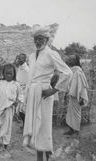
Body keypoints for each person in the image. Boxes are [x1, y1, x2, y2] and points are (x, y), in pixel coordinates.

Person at [23, 26, 72, 161]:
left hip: (44, 93)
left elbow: (67, 72)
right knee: (34, 126)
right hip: (33, 94)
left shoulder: (51, 54)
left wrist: (53, 90)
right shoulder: (32, 56)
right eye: (36, 40)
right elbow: (30, 77)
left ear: (46, 39)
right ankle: (44, 157)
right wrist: (26, 96)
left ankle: (47, 156)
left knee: (43, 126)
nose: (38, 42)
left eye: (40, 39)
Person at [0, 64, 23, 159]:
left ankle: (5, 145)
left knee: (7, 128)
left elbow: (20, 96)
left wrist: (17, 102)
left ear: (13, 74)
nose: (8, 75)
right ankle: (0, 139)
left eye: (10, 73)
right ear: (3, 73)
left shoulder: (16, 84)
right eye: (6, 73)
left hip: (9, 109)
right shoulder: (0, 83)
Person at [64, 55, 89, 135]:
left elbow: (82, 86)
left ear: (76, 62)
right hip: (72, 96)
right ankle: (71, 130)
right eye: (69, 59)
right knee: (70, 113)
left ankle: (77, 131)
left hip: (78, 97)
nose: (70, 61)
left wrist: (82, 97)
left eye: (72, 59)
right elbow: (70, 84)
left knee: (76, 114)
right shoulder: (72, 71)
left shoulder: (78, 72)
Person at [14, 53, 30, 129]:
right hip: (19, 90)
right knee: (20, 110)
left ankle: (25, 126)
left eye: (20, 58)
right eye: (18, 58)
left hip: (24, 91)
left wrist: (24, 92)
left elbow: (28, 82)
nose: (18, 60)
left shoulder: (27, 69)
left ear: (24, 59)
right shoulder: (20, 67)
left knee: (22, 110)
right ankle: (24, 125)